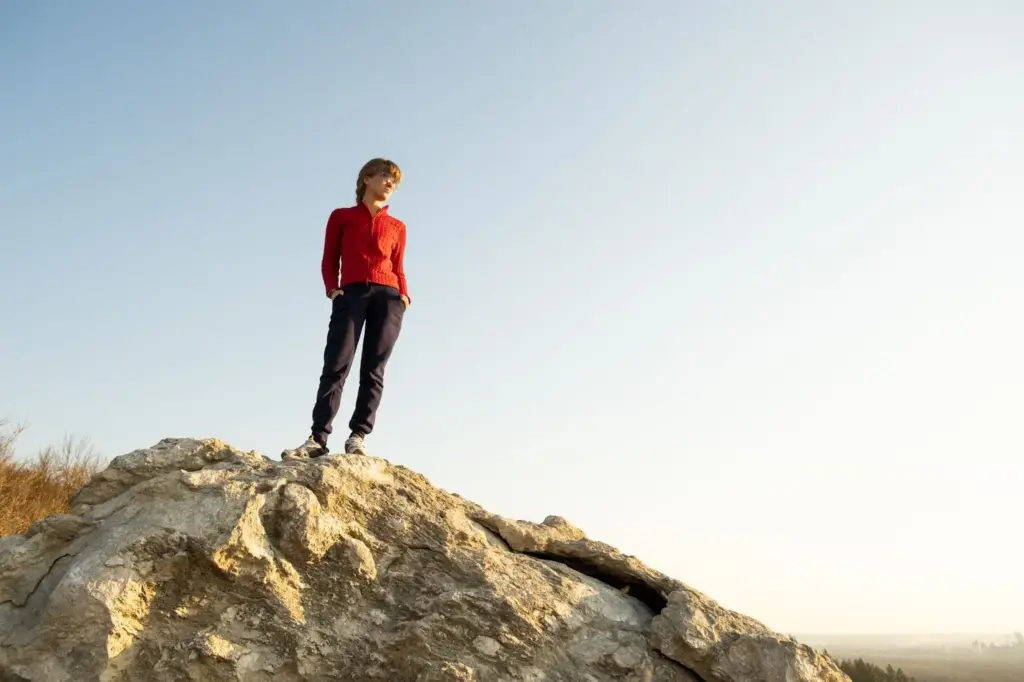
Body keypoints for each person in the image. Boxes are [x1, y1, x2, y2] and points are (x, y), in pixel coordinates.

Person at [282, 158, 410, 460]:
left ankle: (358, 436)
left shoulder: (398, 226)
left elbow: (399, 267)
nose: (390, 183)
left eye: (395, 180)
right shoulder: (341, 216)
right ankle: (317, 438)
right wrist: (333, 290)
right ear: (367, 178)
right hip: (351, 295)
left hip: (389, 297)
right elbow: (330, 258)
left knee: (374, 370)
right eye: (385, 176)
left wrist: (404, 296)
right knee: (336, 365)